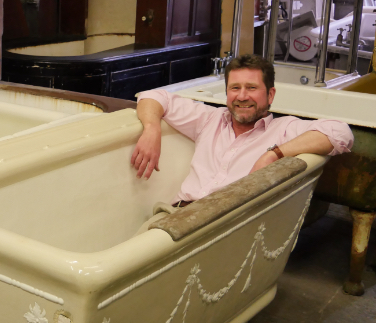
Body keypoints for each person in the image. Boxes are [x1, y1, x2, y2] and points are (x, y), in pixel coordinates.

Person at [131, 54, 353, 208]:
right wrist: (152, 129)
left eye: (252, 88)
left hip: (225, 224)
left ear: (271, 95)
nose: (242, 96)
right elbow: (153, 95)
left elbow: (340, 133)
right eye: (235, 88)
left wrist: (273, 154)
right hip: (178, 212)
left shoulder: (283, 129)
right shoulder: (210, 119)